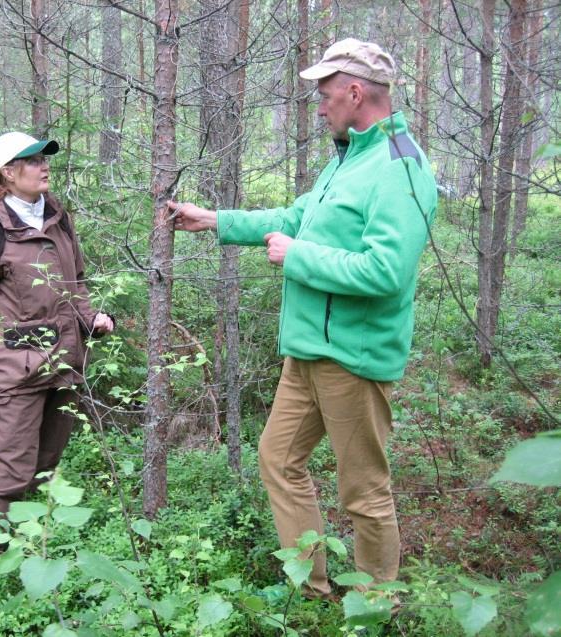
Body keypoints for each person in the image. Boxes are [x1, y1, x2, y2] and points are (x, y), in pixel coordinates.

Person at [168, 38, 437, 598]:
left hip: (353, 357)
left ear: (355, 92)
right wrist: (214, 220)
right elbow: (296, 217)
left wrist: (299, 257)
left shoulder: (399, 167)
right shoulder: (349, 158)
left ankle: (374, 603)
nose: (318, 105)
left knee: (363, 490)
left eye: (324, 93)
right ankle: (313, 588)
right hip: (309, 350)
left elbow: (387, 271)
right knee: (278, 459)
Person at [0, 131, 114, 561]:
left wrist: (90, 318)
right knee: (7, 475)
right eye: (32, 160)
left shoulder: (58, 216)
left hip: (63, 366)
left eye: (45, 158)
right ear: (7, 172)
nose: (44, 166)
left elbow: (75, 283)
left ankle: (20, 559)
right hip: (14, 373)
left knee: (43, 471)